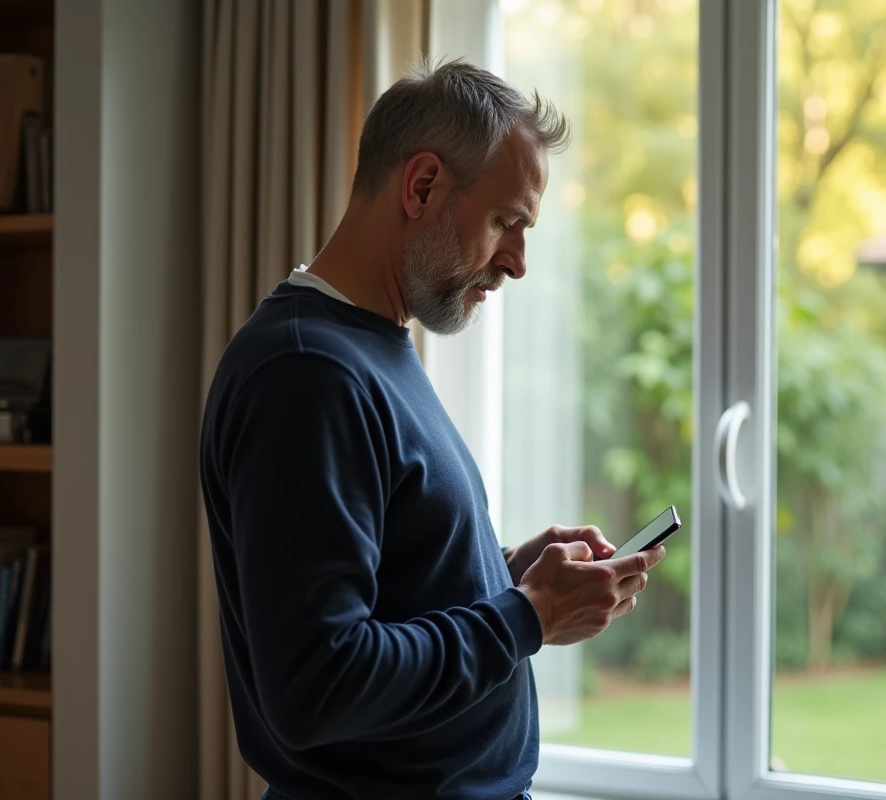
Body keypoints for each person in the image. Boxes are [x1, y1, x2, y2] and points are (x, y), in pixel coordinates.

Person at [198, 58, 666, 800]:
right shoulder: (306, 376)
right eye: (506, 222)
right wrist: (530, 616)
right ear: (421, 186)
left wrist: (504, 573)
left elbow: (387, 584)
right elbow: (318, 685)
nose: (516, 261)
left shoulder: (372, 348)